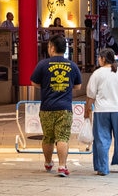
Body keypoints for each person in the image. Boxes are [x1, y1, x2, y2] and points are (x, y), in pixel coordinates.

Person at [30, 33, 82, 177]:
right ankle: (62, 166)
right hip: (65, 108)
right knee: (63, 137)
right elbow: (78, 86)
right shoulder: (72, 65)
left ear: (52, 48)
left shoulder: (43, 64)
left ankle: (48, 163)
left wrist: (46, 86)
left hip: (46, 107)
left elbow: (33, 82)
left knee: (48, 137)